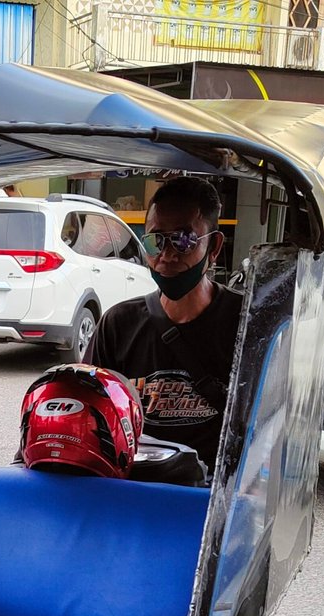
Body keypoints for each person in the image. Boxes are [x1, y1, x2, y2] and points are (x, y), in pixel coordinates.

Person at [86, 176, 241, 474]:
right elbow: (89, 410)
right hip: (134, 491)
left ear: (214, 247)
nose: (167, 255)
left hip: (211, 500)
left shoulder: (245, 323)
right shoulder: (119, 324)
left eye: (184, 240)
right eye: (157, 240)